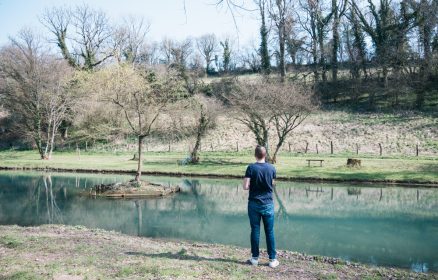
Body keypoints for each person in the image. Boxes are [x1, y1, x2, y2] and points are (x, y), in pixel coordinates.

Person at [243, 145, 279, 268]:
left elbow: (245, 186)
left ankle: (254, 259)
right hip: (268, 204)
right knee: (269, 231)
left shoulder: (251, 168)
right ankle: (272, 260)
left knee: (255, 230)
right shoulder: (272, 168)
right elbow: (273, 184)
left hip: (254, 204)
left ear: (255, 155)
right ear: (265, 155)